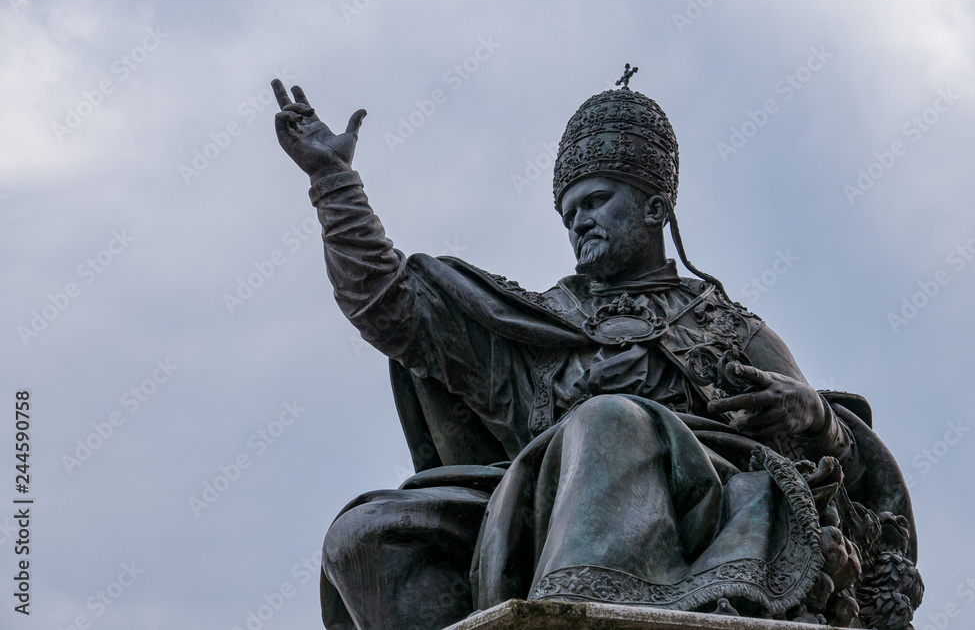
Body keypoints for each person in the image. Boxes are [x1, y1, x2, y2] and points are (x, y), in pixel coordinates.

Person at [271, 72, 920, 630]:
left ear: (654, 207)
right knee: (365, 534)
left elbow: (844, 465)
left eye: (595, 201)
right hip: (530, 504)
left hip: (696, 512)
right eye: (568, 210)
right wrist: (334, 182)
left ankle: (574, 609)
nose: (579, 220)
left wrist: (817, 416)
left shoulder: (729, 326)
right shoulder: (536, 322)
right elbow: (392, 308)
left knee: (607, 420)